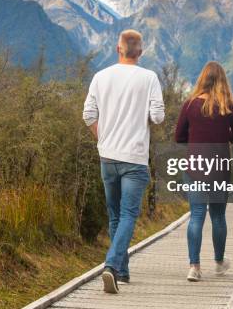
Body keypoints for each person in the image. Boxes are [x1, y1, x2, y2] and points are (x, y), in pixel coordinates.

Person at [82, 29, 165, 294]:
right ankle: (111, 266)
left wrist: (103, 136)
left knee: (115, 215)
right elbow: (159, 117)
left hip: (107, 156)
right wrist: (144, 119)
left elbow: (88, 115)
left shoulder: (100, 76)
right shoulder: (149, 77)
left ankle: (122, 270)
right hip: (135, 157)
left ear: (118, 49)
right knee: (129, 214)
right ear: (140, 52)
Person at [174, 61, 233, 282]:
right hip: (219, 169)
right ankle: (219, 261)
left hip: (195, 167)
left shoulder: (190, 104)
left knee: (196, 215)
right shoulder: (229, 106)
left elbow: (178, 136)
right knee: (218, 216)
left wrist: (196, 139)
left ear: (202, 79)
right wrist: (224, 135)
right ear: (223, 80)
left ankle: (194, 267)